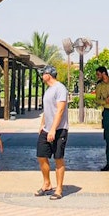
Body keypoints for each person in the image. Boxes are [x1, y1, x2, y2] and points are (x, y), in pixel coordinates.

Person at [35, 65, 68, 200]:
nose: (42, 76)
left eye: (43, 73)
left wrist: (54, 129)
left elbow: (60, 110)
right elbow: (48, 110)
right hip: (47, 129)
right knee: (41, 155)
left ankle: (59, 189)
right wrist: (43, 125)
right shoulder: (48, 90)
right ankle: (47, 183)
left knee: (58, 158)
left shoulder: (60, 88)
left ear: (48, 75)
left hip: (59, 129)